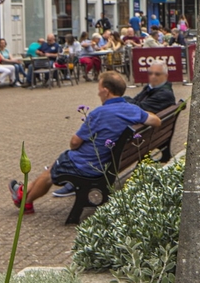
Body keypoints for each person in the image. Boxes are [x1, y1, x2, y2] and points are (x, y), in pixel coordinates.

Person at [8, 70, 160, 213]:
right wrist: (137, 114)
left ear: (106, 91)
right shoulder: (133, 110)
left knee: (53, 170)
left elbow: (74, 142)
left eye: (99, 88)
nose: (98, 92)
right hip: (111, 162)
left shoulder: (99, 113)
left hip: (89, 165)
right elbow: (156, 121)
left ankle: (26, 201)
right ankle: (23, 190)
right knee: (57, 163)